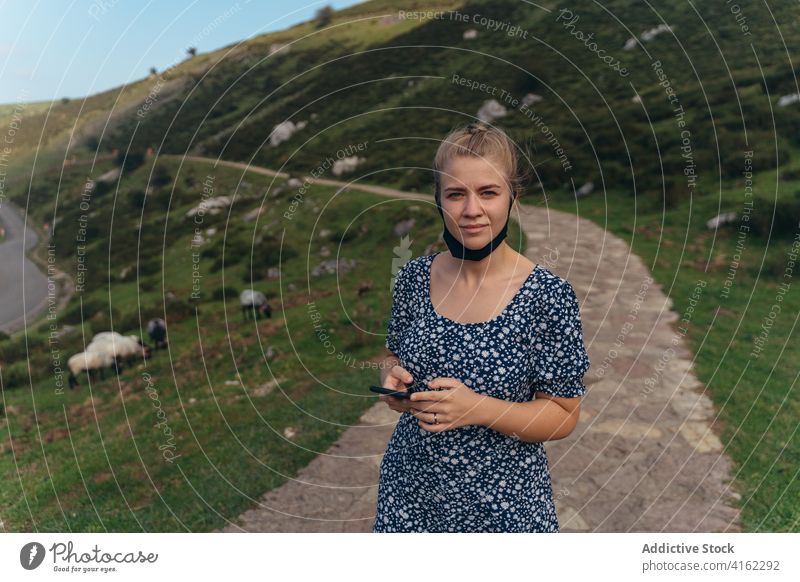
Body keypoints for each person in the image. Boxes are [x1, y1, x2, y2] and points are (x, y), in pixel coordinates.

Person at [373, 121, 590, 532]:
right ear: (438, 199)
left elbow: (563, 416)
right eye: (456, 194)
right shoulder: (414, 278)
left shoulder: (548, 296)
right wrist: (393, 381)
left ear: (513, 198)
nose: (472, 210)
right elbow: (393, 354)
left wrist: (477, 408)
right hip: (409, 496)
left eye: (488, 192)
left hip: (505, 509)